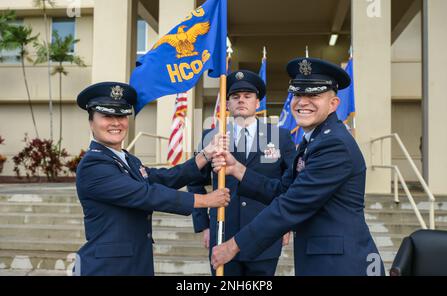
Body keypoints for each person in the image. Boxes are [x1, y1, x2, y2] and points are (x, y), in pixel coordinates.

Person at [210, 58, 385, 276]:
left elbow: (291, 204)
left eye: (313, 95)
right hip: (324, 260)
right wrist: (237, 168)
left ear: (333, 104)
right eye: (298, 94)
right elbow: (283, 191)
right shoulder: (313, 140)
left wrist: (233, 245)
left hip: (341, 264)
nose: (302, 102)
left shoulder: (334, 145)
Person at [74, 81, 230, 276]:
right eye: (107, 116)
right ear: (91, 122)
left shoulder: (128, 159)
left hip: (136, 262)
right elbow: (145, 194)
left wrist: (205, 155)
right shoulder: (94, 164)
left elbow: (162, 179)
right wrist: (205, 200)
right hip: (107, 268)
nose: (116, 123)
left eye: (121, 115)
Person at [188, 70, 296, 276]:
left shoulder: (279, 136)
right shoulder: (211, 136)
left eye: (248, 96)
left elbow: (290, 184)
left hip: (265, 230)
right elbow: (194, 180)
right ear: (227, 104)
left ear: (257, 103)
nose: (241, 101)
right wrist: (204, 225)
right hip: (222, 230)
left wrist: (286, 223)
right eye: (235, 97)